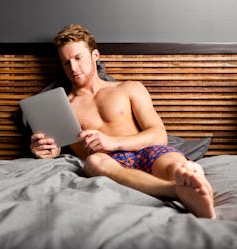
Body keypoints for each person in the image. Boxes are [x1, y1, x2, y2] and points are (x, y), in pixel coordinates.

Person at [29, 24, 215, 219]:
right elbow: (56, 147)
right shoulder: (61, 107)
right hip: (110, 163)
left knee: (177, 167)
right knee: (93, 161)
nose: (73, 68)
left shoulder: (129, 88)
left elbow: (159, 135)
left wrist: (112, 141)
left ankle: (194, 184)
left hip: (146, 151)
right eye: (66, 62)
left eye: (78, 58)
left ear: (95, 55)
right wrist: (47, 150)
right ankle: (176, 191)